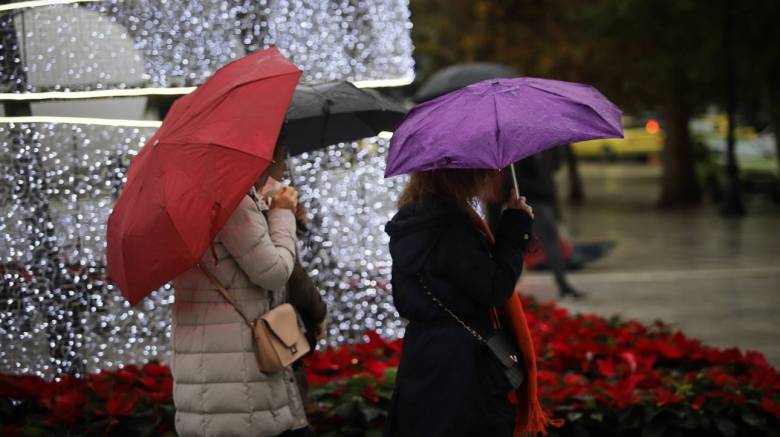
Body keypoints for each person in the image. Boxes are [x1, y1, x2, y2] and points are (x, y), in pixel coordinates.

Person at [171, 141, 313, 437]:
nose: (284, 165)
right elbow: (273, 273)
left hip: (214, 373)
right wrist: (282, 213)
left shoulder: (192, 198)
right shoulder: (231, 201)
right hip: (240, 382)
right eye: (281, 155)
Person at [384, 168, 535, 437]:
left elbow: (404, 298)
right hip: (462, 363)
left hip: (422, 355)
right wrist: (516, 226)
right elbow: (493, 288)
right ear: (463, 176)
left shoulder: (410, 223)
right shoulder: (451, 227)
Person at [487, 152, 585, 299]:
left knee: (542, 245)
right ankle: (560, 284)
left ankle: (561, 283)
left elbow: (549, 181)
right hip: (535, 204)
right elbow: (521, 182)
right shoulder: (527, 155)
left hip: (541, 204)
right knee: (538, 245)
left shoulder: (540, 155)